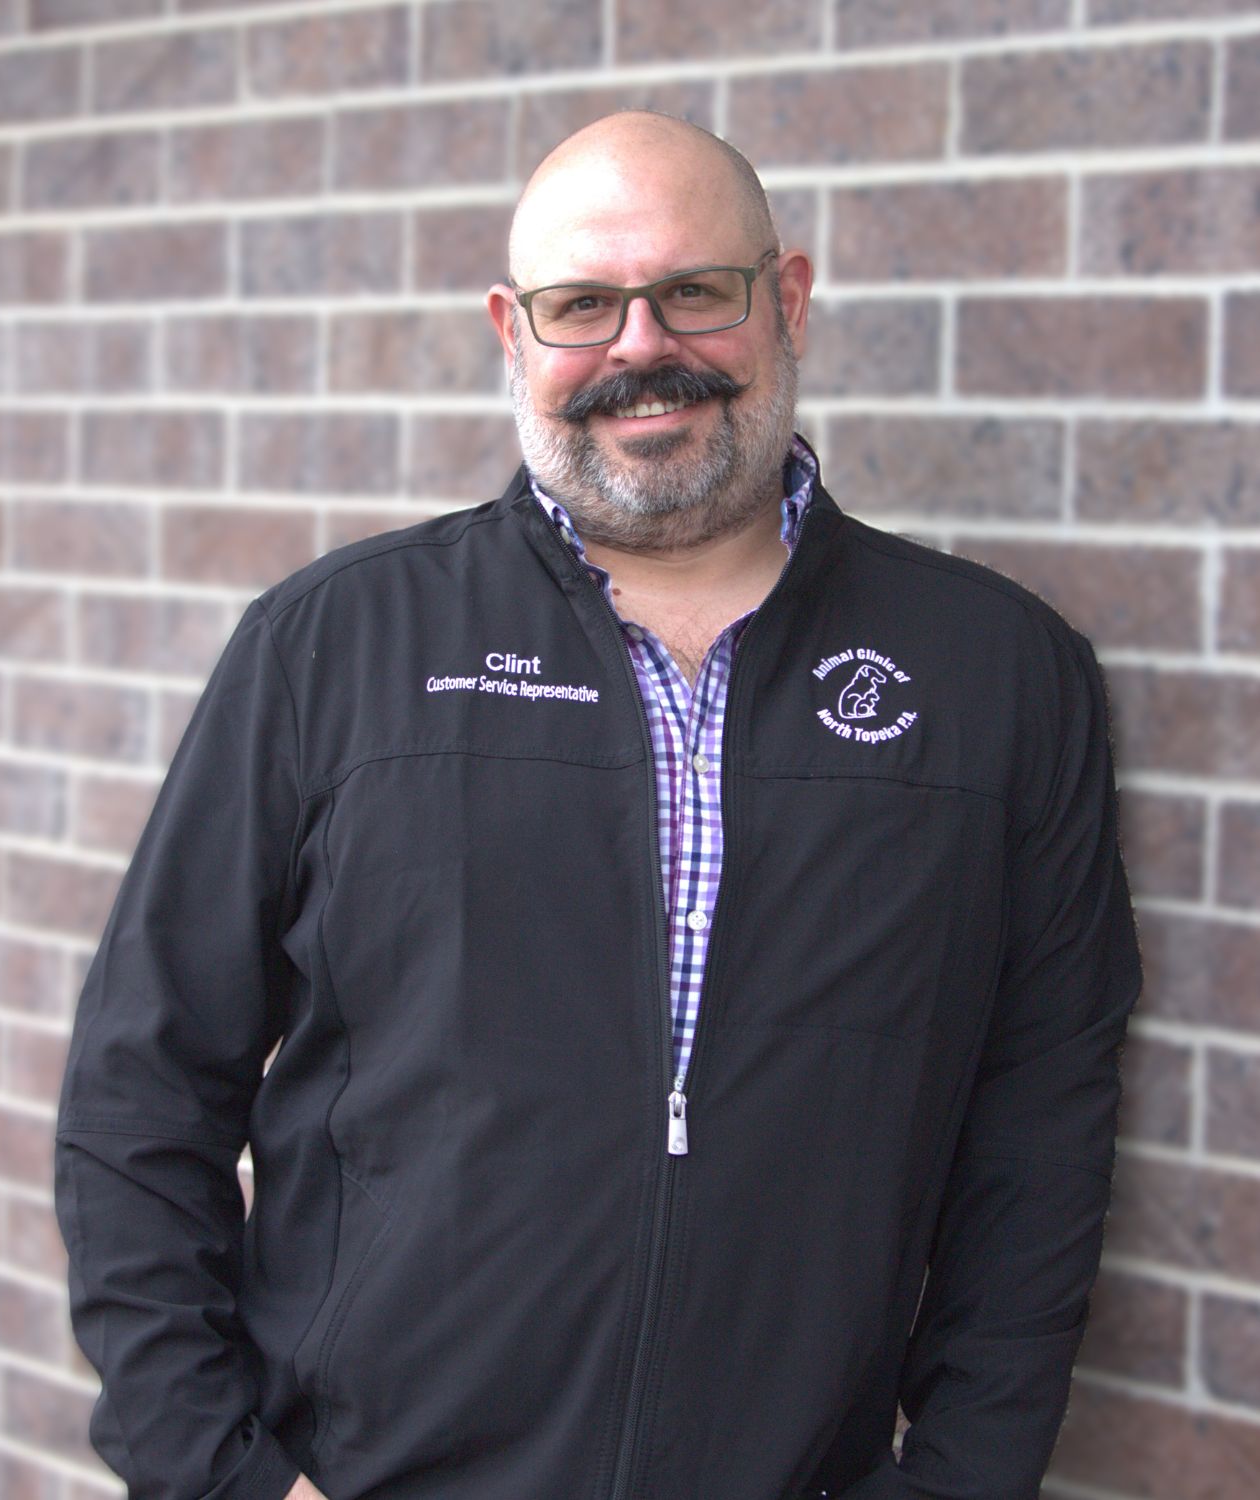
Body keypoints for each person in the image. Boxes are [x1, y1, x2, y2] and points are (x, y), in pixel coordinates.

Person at [56, 112, 1142, 1500]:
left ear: (785, 300)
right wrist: (219, 1478)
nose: (642, 347)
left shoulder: (998, 674)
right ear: (513, 331)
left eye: (696, 291)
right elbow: (140, 1089)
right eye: (584, 305)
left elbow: (1040, 1133)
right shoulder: (336, 645)